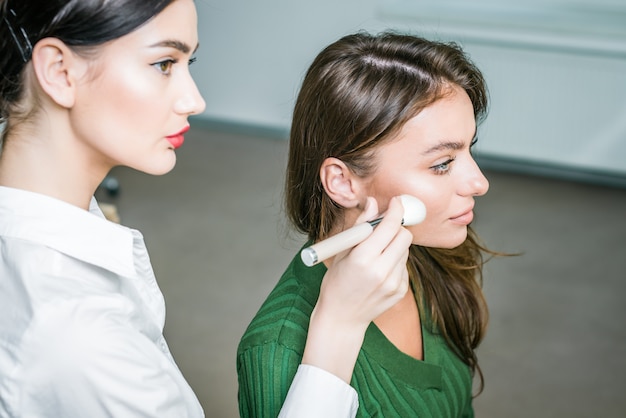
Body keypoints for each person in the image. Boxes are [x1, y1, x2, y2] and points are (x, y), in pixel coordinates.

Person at [1, 1, 389, 417]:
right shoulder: (84, 342)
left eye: (189, 61)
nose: (194, 100)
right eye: (164, 63)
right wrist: (339, 324)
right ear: (60, 72)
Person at [237, 31, 493, 417]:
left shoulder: (430, 253)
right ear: (342, 182)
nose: (480, 183)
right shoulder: (276, 351)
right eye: (442, 164)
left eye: (469, 149)